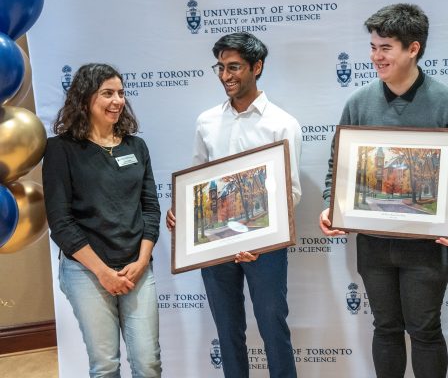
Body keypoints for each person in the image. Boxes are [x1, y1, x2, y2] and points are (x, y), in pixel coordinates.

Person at [319, 3, 448, 378]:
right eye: (373, 47)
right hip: (374, 244)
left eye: (385, 48)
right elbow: (339, 169)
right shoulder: (359, 103)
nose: (375, 57)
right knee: (385, 328)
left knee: (425, 331)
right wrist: (332, 205)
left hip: (427, 246)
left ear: (413, 49)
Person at [166, 32, 301, 378]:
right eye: (221, 67)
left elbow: (291, 192)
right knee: (228, 333)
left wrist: (257, 239)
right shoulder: (206, 122)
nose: (226, 76)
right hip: (216, 246)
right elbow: (197, 178)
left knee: (273, 329)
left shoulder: (283, 123)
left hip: (265, 247)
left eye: (234, 67)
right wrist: (183, 211)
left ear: (257, 67)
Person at [42, 63, 162, 377]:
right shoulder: (60, 150)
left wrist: (142, 261)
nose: (118, 101)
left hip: (137, 268)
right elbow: (60, 221)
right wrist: (104, 273)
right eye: (107, 93)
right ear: (85, 100)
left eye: (121, 93)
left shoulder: (136, 146)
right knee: (105, 366)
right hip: (86, 271)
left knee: (148, 364)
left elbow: (150, 209)